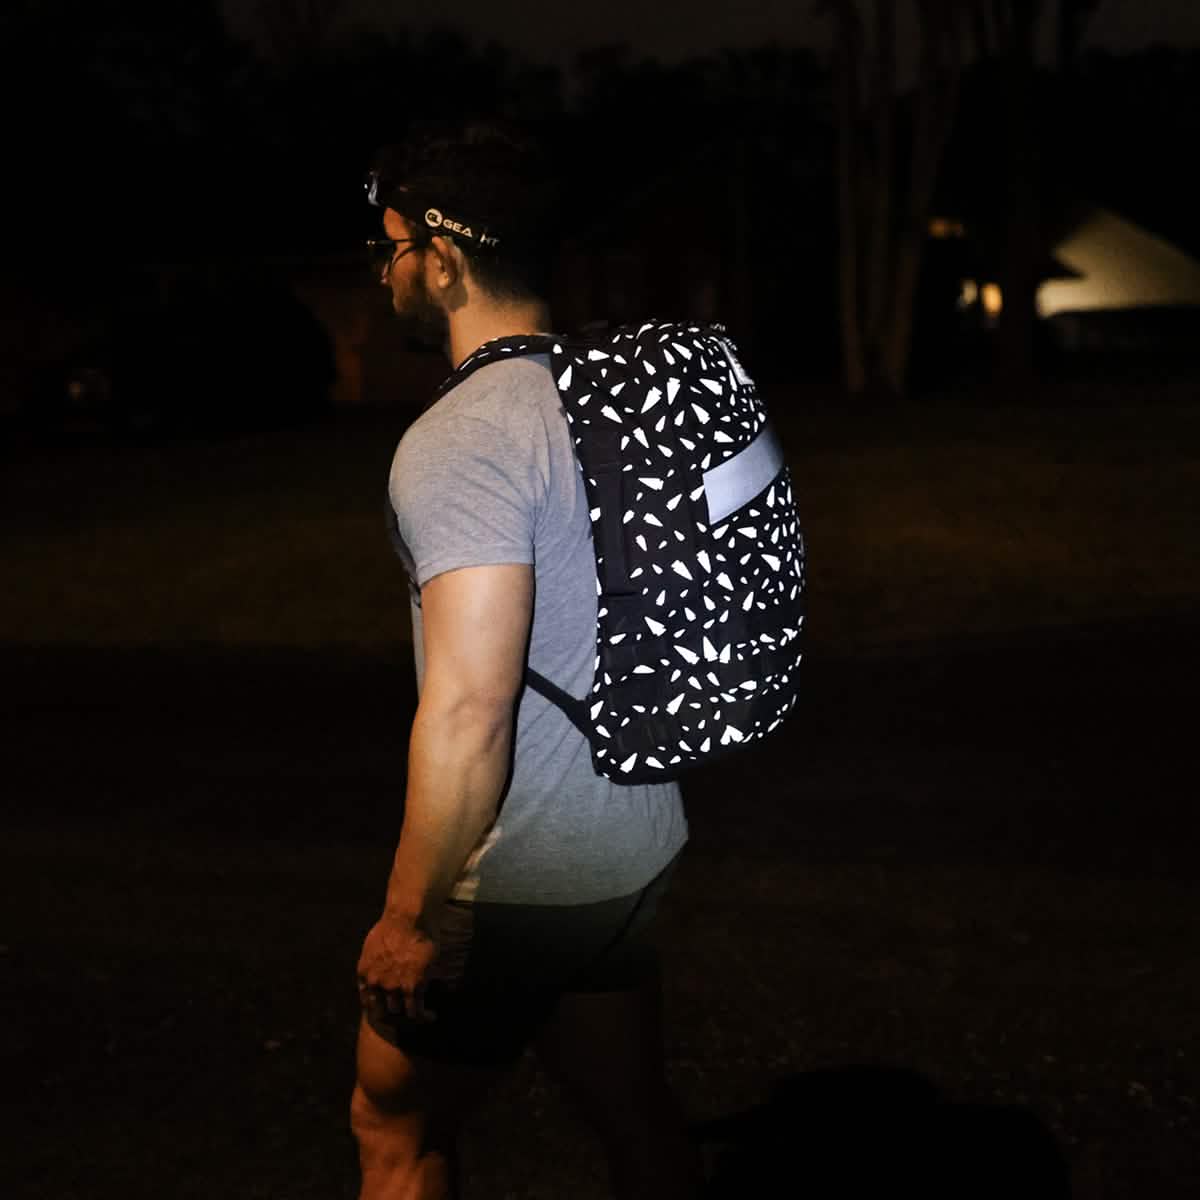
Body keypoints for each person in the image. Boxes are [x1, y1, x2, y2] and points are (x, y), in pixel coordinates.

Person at [351, 123, 704, 1200]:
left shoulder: (464, 439)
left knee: (391, 1128)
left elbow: (468, 708)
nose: (386, 266)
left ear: (444, 262)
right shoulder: (615, 400)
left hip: (515, 876)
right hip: (631, 847)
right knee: (635, 1121)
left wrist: (410, 915)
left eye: (395, 244)